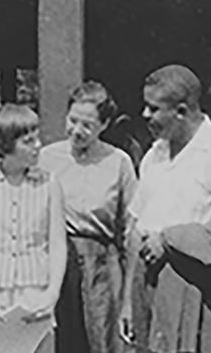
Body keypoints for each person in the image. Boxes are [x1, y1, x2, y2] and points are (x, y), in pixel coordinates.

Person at [131, 64, 211, 353]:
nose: (145, 115)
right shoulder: (154, 156)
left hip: (203, 291)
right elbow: (136, 227)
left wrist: (171, 239)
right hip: (155, 289)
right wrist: (129, 301)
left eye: (153, 108)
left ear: (181, 111)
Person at [38, 81, 144, 353]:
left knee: (103, 340)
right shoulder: (46, 158)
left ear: (104, 125)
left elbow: (132, 228)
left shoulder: (119, 162)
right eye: (73, 120)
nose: (77, 130)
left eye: (87, 125)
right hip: (57, 263)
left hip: (102, 265)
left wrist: (128, 295)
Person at [0, 104, 67, 353]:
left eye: (37, 138)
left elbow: (57, 244)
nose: (38, 146)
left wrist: (52, 292)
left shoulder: (49, 183)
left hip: (36, 294)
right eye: (28, 141)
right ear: (5, 146)